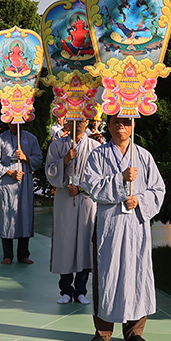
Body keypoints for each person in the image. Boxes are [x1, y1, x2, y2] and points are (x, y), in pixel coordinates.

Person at [81, 115, 164, 341]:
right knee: (106, 272)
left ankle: (134, 331)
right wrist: (121, 179)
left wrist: (140, 200)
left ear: (133, 125)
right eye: (116, 121)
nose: (121, 125)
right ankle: (103, 331)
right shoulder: (98, 155)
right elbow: (92, 187)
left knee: (136, 272)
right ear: (108, 125)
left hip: (136, 225)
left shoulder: (143, 156)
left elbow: (158, 189)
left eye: (126, 121)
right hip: (109, 225)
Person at [46, 118, 101, 302]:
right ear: (66, 123)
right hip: (65, 199)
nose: (77, 124)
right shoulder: (57, 146)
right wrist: (65, 160)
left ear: (87, 122)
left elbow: (99, 176)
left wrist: (81, 188)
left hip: (86, 200)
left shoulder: (95, 147)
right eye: (72, 120)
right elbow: (49, 172)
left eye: (81, 120)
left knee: (85, 242)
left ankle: (81, 290)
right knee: (66, 242)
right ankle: (65, 290)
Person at [0, 124, 43, 264]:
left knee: (24, 215)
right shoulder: (0, 139)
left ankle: (23, 254)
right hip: (8, 183)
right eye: (12, 122)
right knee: (7, 215)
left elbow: (38, 159)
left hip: (25, 183)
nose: (14, 125)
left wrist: (25, 157)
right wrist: (9, 172)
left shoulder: (31, 139)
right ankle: (7, 254)